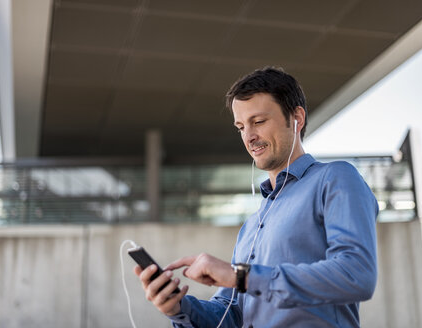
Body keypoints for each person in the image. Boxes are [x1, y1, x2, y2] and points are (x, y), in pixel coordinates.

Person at [134, 67, 378, 328]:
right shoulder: (252, 226)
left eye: (258, 122)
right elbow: (232, 315)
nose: (249, 137)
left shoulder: (336, 178)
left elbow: (356, 274)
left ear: (297, 118)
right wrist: (178, 307)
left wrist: (242, 276)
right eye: (241, 126)